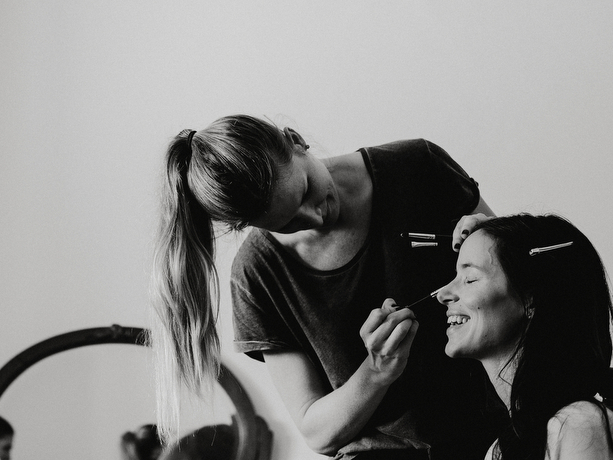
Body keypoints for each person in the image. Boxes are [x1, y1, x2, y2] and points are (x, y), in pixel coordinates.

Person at [151, 114, 503, 459]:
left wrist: (494, 248)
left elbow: (523, 283)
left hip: (501, 426)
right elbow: (318, 434)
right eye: (288, 223)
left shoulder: (416, 165)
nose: (315, 218)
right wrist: (376, 370)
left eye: (306, 191)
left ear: (295, 141)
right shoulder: (257, 274)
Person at [438, 213, 613, 460]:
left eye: (470, 279)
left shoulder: (576, 425)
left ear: (530, 298)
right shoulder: (500, 449)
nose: (443, 294)